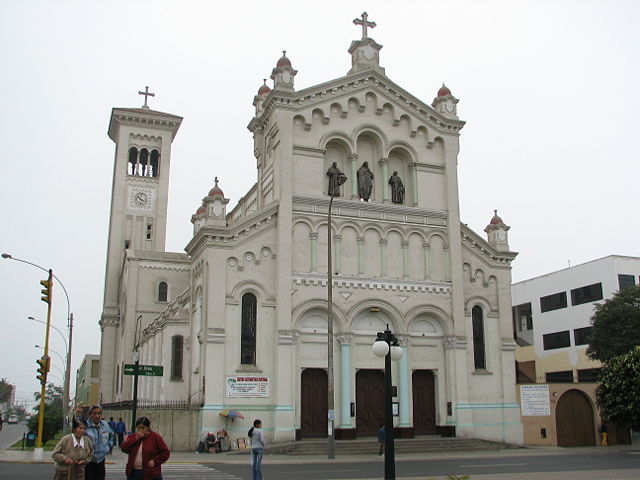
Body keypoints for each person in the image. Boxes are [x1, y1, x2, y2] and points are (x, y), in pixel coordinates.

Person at [84, 405, 115, 480]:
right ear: (90, 414)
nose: (97, 416)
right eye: (94, 413)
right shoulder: (85, 426)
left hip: (101, 460)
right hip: (89, 461)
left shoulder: (105, 425)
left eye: (99, 413)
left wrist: (109, 447)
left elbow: (112, 436)